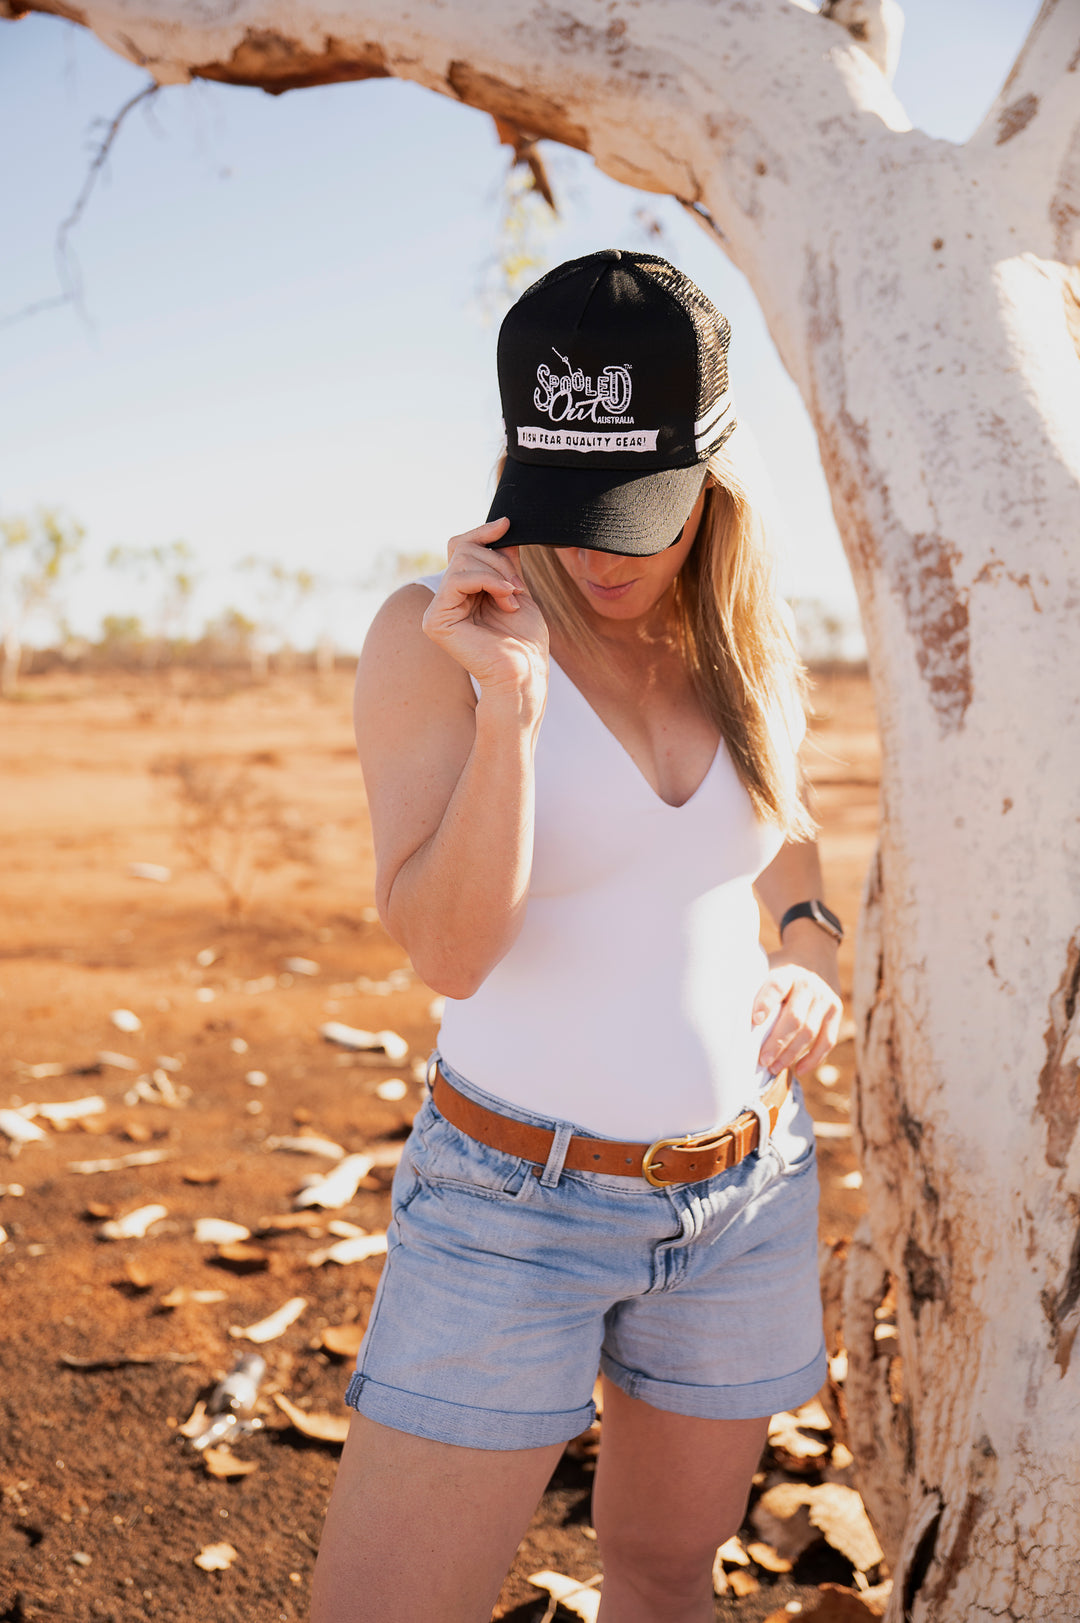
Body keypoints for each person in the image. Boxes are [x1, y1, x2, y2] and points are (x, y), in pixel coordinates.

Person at [311, 250, 843, 1623]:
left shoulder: (737, 635)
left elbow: (784, 833)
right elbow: (450, 954)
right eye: (573, 504)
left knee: (668, 1576)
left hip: (745, 1197)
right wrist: (511, 709)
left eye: (644, 514)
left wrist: (811, 949)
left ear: (713, 480)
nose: (605, 552)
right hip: (512, 1209)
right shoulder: (433, 641)